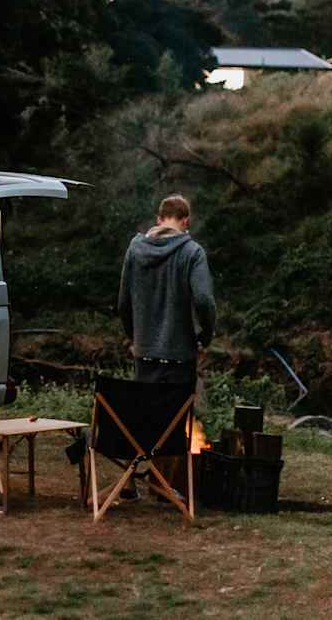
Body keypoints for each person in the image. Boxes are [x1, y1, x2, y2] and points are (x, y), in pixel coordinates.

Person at [116, 194, 216, 498]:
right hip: (178, 355)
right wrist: (205, 336)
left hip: (145, 354)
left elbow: (123, 303)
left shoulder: (135, 249)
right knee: (174, 420)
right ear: (185, 221)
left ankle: (131, 481)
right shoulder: (192, 252)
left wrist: (135, 337)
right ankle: (162, 485)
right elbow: (204, 300)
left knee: (143, 417)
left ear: (159, 219)